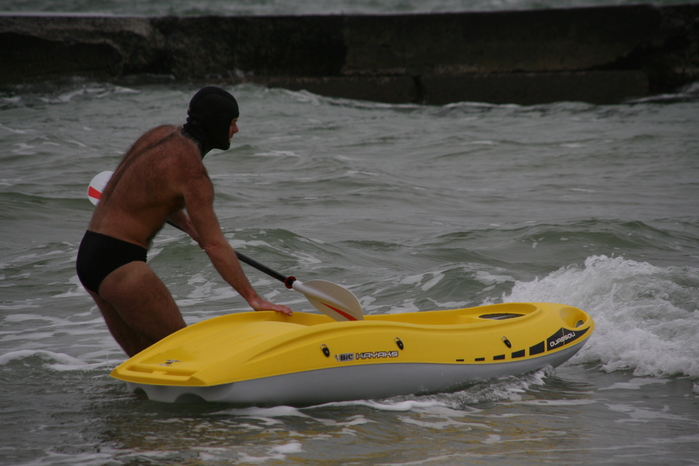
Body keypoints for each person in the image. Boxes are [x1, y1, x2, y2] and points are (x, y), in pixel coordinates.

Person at [76, 86, 292, 357]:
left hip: (90, 257)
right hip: (121, 266)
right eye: (233, 123)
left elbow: (145, 190)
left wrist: (190, 227)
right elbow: (215, 244)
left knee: (147, 360)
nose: (236, 131)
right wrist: (253, 298)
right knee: (183, 353)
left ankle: (132, 400)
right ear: (217, 125)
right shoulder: (192, 173)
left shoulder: (157, 137)